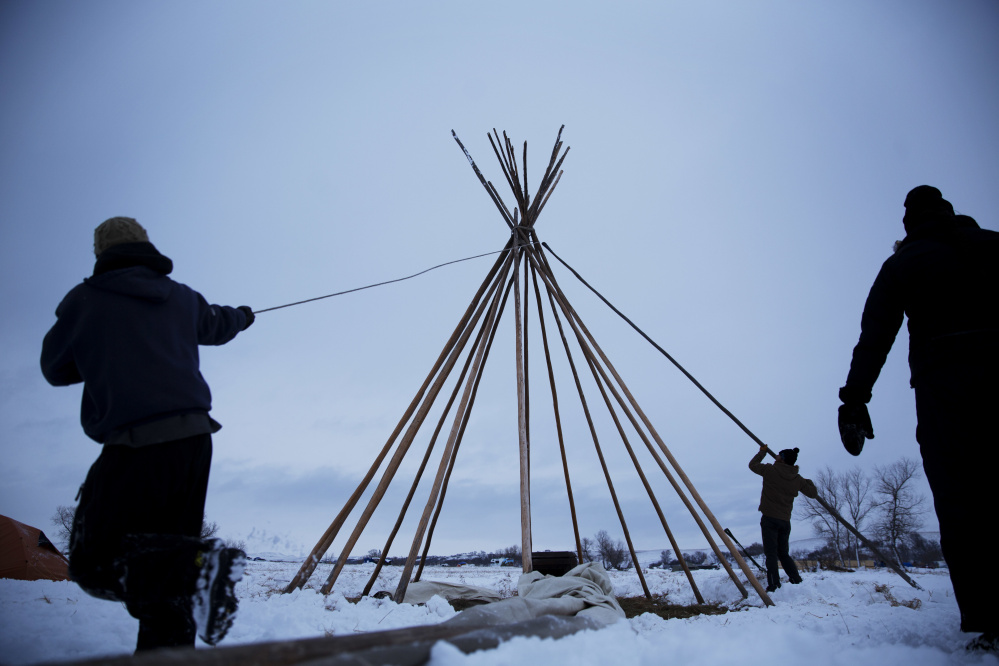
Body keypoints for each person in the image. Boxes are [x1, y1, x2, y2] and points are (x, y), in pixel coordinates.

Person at [41, 217, 255, 651]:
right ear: (145, 245)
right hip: (195, 442)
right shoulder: (181, 297)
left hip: (136, 442)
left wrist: (104, 352)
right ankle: (186, 601)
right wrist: (244, 317)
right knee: (166, 556)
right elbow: (217, 324)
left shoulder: (85, 301)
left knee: (96, 561)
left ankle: (198, 571)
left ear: (101, 253)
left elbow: (55, 368)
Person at [838, 185, 999, 652]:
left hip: (947, 394)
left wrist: (854, 399)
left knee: (963, 502)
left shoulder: (904, 264)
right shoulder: (992, 244)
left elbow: (874, 338)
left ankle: (992, 619)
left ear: (908, 222)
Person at [749, 445, 817, 592]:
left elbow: (752, 465)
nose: (776, 457)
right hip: (785, 521)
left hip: (769, 520)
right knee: (783, 553)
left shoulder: (770, 471)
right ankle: (796, 579)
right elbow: (812, 493)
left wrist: (762, 452)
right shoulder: (797, 479)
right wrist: (807, 481)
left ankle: (774, 584)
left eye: (779, 455)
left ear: (783, 459)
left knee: (771, 554)